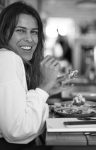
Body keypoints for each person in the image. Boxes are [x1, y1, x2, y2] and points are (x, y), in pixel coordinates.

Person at [0, 1, 70, 150]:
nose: (30, 39)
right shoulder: (8, 58)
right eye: (20, 30)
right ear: (4, 32)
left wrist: (47, 90)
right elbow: (17, 130)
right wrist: (43, 87)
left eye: (34, 32)